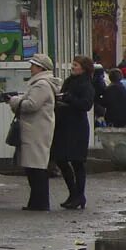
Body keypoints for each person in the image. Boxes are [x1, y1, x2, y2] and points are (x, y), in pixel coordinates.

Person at [7, 54, 60, 211]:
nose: (30, 68)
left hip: (36, 130)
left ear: (40, 68)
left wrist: (15, 101)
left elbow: (32, 105)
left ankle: (40, 202)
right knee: (34, 167)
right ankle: (36, 201)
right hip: (36, 129)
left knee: (36, 168)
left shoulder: (41, 84)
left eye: (33, 65)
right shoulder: (41, 84)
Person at [54, 56, 95, 210]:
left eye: (76, 65)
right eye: (73, 64)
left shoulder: (86, 84)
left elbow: (86, 105)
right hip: (64, 125)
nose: (72, 67)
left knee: (77, 162)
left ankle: (79, 196)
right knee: (61, 159)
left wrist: (69, 98)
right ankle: (74, 193)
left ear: (83, 68)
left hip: (77, 127)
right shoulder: (69, 81)